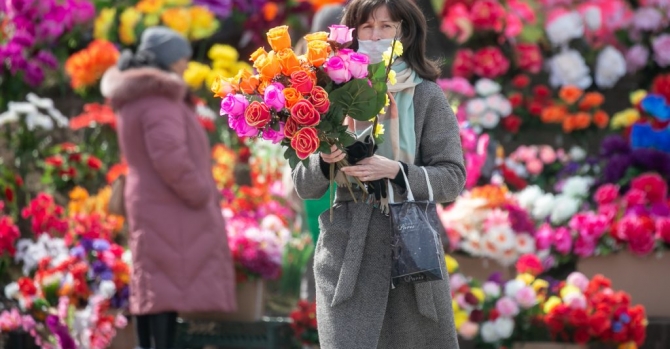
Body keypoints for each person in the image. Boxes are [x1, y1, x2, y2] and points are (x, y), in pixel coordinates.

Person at [291, 0, 466, 347]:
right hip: (347, 256)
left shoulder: (426, 95)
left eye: (387, 27)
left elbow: (452, 179)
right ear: (352, 34)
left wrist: (397, 171)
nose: (376, 35)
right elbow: (302, 184)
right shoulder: (328, 94)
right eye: (367, 27)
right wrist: (325, 160)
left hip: (412, 246)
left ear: (405, 32)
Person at [100, 27, 237, 349]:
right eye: (182, 60)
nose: (186, 67)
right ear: (168, 61)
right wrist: (201, 192)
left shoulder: (139, 96)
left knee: (153, 285)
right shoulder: (158, 100)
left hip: (153, 201)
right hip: (169, 205)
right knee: (163, 289)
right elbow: (170, 158)